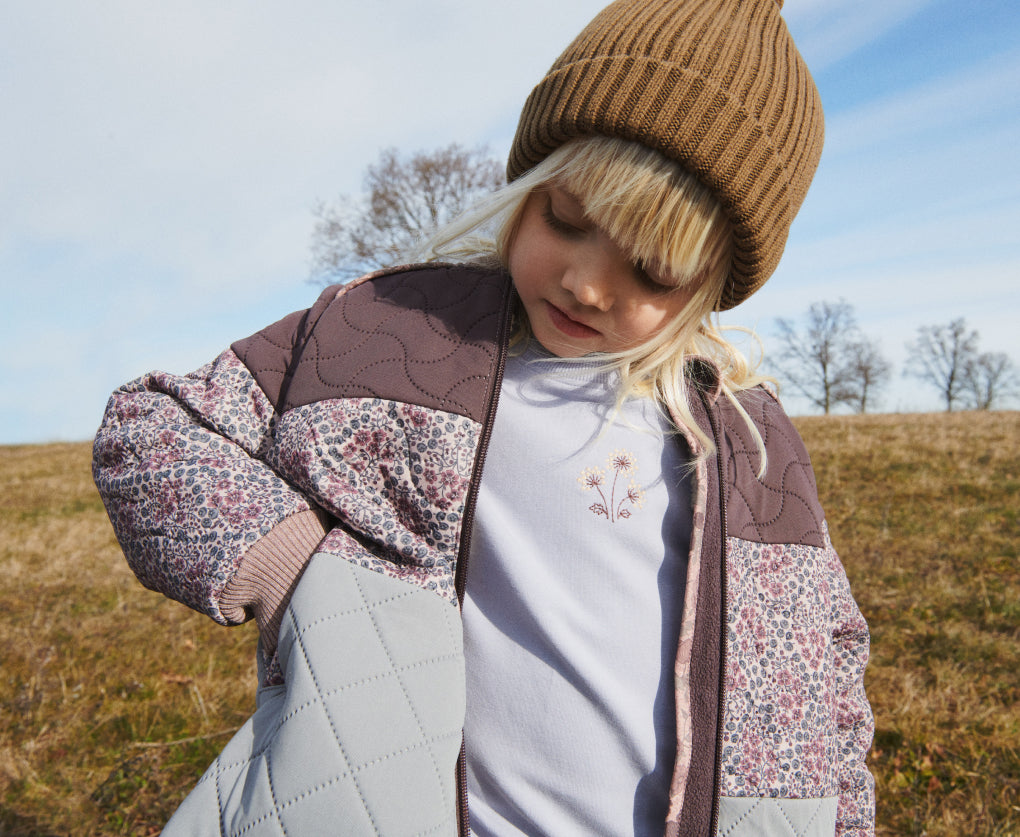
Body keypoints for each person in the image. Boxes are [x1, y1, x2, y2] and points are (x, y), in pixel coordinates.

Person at [92, 0, 875, 834]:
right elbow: (153, 431)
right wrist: (299, 575)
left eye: (651, 268)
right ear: (529, 186)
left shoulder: (754, 444)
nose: (586, 282)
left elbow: (832, 666)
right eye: (566, 219)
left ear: (717, 281)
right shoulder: (391, 334)